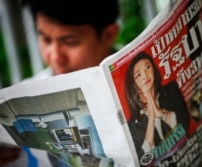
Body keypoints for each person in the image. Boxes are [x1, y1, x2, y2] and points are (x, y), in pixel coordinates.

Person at [0, 0, 120, 166]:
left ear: (109, 35)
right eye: (46, 39)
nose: (55, 57)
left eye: (70, 41)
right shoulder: (24, 95)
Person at [124, 51, 190, 158]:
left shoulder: (171, 90)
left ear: (153, 69)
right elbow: (144, 158)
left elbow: (185, 123)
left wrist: (160, 112)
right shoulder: (132, 125)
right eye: (138, 75)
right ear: (133, 84)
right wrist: (151, 118)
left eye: (148, 67)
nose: (145, 75)